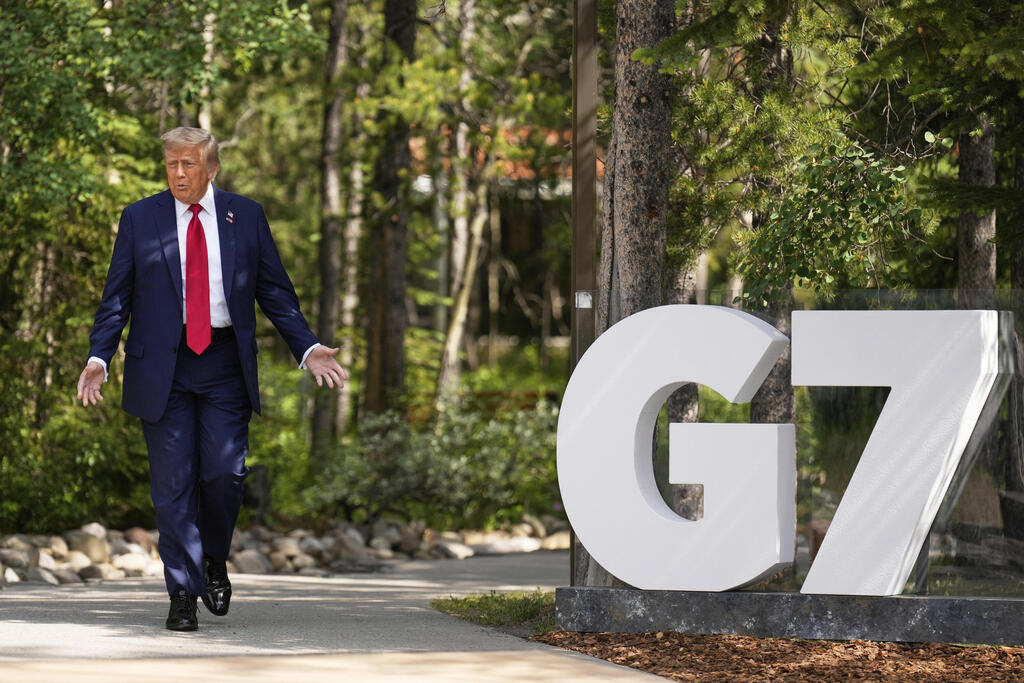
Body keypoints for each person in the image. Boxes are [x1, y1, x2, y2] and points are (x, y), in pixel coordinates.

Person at [76, 127, 347, 632]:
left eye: (189, 165)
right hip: (163, 365)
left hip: (223, 362)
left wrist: (307, 348)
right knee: (172, 486)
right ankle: (181, 594)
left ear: (212, 168)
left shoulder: (245, 216)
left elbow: (275, 292)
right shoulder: (140, 218)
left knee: (225, 475)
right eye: (172, 164)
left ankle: (212, 557)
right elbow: (117, 297)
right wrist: (99, 357)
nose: (179, 174)